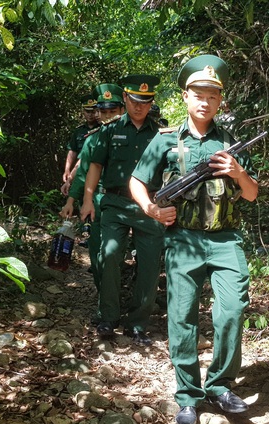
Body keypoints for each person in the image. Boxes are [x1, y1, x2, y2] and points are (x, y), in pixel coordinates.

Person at [129, 55, 258, 424]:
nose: (205, 101)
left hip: (225, 240)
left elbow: (251, 195)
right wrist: (152, 208)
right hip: (182, 241)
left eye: (212, 96)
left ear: (221, 102)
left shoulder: (231, 142)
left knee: (231, 311)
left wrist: (238, 171)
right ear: (185, 97)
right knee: (182, 317)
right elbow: (137, 181)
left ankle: (219, 385)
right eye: (197, 94)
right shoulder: (165, 139)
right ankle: (187, 396)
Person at [79, 75, 165, 346]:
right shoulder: (109, 130)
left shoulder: (161, 134)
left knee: (150, 265)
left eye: (146, 102)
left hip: (150, 207)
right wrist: (87, 200)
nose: (140, 107)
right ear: (125, 99)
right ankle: (108, 316)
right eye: (135, 101)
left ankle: (138, 323)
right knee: (111, 255)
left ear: (151, 103)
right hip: (115, 204)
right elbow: (95, 166)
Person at [60, 84, 125, 293]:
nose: (107, 117)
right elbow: (83, 174)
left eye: (112, 111)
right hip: (98, 201)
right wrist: (71, 201)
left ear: (122, 110)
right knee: (98, 253)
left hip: (127, 203)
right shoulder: (93, 139)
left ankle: (118, 300)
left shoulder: (135, 137)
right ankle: (105, 304)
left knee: (115, 254)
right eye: (103, 112)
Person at [62, 92, 99, 185]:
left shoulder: (103, 128)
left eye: (93, 111)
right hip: (79, 171)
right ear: (83, 112)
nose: (90, 115)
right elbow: (72, 151)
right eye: (88, 111)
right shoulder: (78, 131)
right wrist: (67, 169)